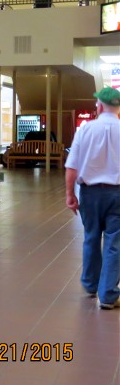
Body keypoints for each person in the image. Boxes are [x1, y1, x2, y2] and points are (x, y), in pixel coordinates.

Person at [65, 86, 120, 310]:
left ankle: (90, 284)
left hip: (89, 193)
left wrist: (70, 194)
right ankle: (107, 295)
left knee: (91, 237)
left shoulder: (85, 130)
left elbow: (72, 167)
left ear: (100, 107)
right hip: (117, 194)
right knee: (114, 243)